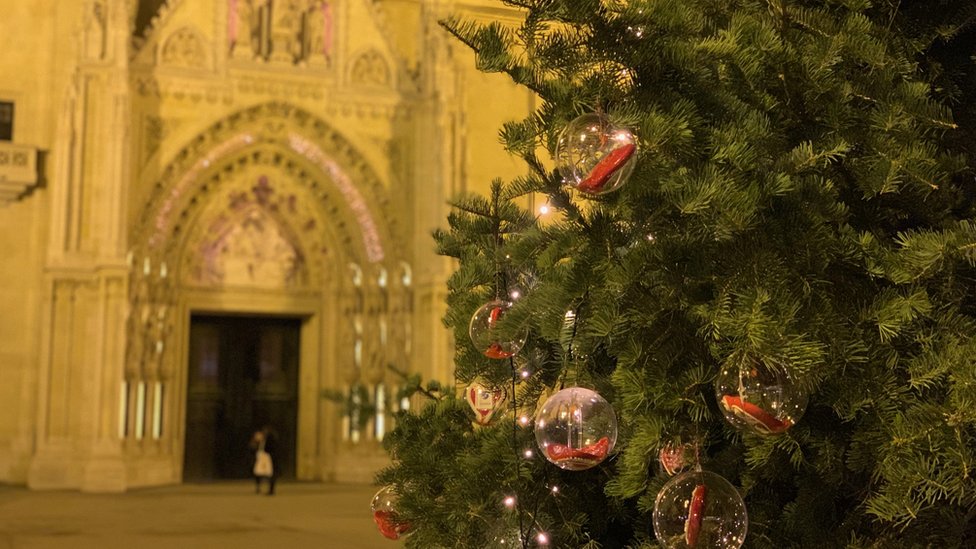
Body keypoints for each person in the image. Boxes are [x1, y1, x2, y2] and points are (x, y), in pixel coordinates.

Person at [250, 425, 277, 495]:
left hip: (268, 457)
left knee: (270, 472)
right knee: (257, 472)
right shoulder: (260, 440)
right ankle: (258, 486)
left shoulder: (270, 439)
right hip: (260, 457)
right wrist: (256, 441)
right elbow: (253, 447)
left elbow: (271, 448)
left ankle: (271, 489)